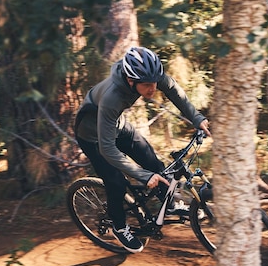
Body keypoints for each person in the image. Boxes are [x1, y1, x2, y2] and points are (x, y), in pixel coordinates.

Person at [74, 47, 211, 253]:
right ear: (131, 81)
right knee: (117, 183)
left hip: (117, 126)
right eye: (147, 85)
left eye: (155, 83)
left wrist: (197, 118)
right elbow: (107, 148)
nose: (153, 89)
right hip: (93, 139)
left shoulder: (149, 75)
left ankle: (169, 204)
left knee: (155, 164)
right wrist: (142, 176)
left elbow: (174, 91)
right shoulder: (113, 96)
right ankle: (119, 227)